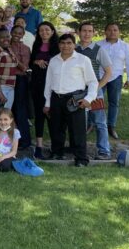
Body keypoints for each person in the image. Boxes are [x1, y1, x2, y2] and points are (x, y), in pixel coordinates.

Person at [43, 33, 98, 166]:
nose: (65, 46)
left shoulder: (83, 60)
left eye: (69, 43)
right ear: (59, 45)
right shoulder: (54, 60)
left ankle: (81, 159)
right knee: (56, 128)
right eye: (62, 43)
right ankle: (57, 153)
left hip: (75, 100)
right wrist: (47, 103)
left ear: (74, 45)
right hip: (56, 98)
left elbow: (92, 81)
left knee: (77, 131)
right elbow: (48, 83)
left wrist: (89, 99)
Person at [76, 22, 113, 159]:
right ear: (78, 32)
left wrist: (97, 88)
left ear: (93, 33)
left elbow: (109, 72)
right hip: (77, 92)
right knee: (79, 122)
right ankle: (80, 150)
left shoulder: (99, 50)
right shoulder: (73, 49)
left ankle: (104, 151)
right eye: (84, 31)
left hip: (95, 93)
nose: (87, 34)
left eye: (90, 31)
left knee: (100, 122)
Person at [98, 23, 129, 139]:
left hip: (116, 77)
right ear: (105, 32)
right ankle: (93, 123)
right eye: (109, 30)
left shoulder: (125, 46)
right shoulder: (98, 45)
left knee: (114, 102)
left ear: (119, 32)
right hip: (100, 77)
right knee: (96, 101)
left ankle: (111, 126)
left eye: (115, 30)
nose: (112, 32)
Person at [30, 21, 59, 158]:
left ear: (52, 31)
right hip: (37, 85)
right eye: (41, 30)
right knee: (39, 115)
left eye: (47, 30)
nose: (44, 32)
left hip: (53, 86)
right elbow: (30, 62)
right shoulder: (36, 45)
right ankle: (39, 147)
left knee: (53, 116)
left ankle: (55, 147)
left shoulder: (58, 46)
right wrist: (36, 61)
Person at [9, 25, 32, 152]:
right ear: (11, 33)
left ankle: (24, 140)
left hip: (20, 80)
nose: (17, 35)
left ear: (23, 35)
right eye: (15, 32)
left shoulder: (26, 48)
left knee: (20, 110)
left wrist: (15, 60)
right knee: (8, 109)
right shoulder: (6, 46)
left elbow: (24, 67)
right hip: (7, 79)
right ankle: (8, 139)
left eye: (19, 33)